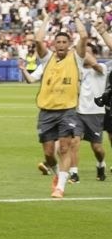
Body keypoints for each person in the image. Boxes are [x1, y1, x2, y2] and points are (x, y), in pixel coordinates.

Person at [28, 25, 82, 198]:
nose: (61, 45)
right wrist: (46, 18)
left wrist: (77, 18)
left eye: (64, 42)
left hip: (67, 110)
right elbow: (38, 40)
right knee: (49, 154)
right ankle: (58, 174)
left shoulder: (76, 58)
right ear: (53, 44)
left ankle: (60, 187)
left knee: (65, 148)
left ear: (69, 44)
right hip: (46, 111)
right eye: (58, 42)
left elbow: (84, 36)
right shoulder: (47, 59)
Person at [76, 33, 107, 182]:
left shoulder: (102, 68)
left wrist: (81, 48)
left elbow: (95, 65)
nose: (84, 56)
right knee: (73, 142)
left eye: (87, 53)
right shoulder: (78, 69)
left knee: (97, 148)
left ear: (94, 55)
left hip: (95, 113)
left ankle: (101, 164)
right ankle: (73, 173)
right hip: (77, 112)